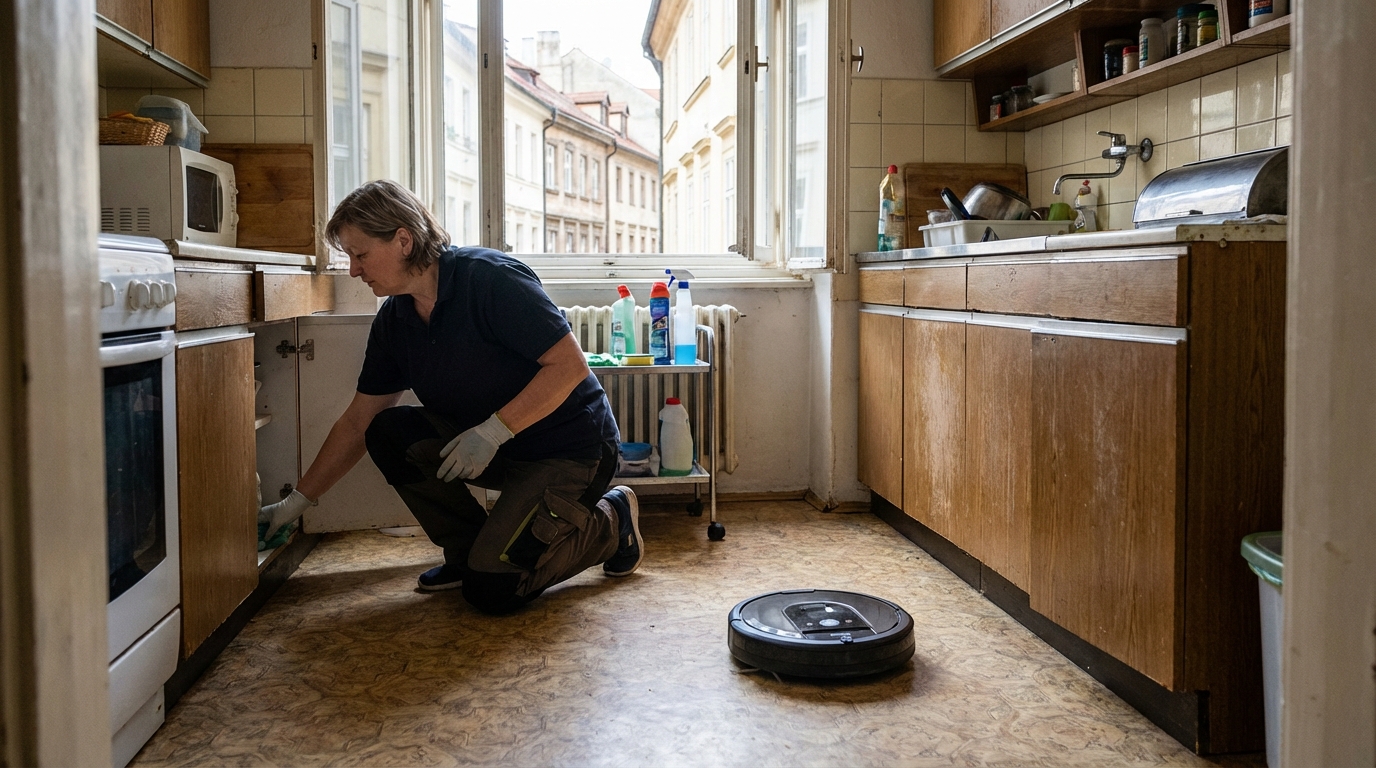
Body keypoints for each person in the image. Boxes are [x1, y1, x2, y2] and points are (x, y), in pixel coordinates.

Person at [258, 180, 642, 614]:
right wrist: (296, 502)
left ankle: (612, 522)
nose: (353, 270)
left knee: (492, 591)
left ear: (403, 239)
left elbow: (570, 367)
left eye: (360, 254)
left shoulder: (491, 280)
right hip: (497, 451)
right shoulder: (396, 319)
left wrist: (495, 431)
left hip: (570, 452)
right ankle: (467, 553)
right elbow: (357, 422)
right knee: (388, 431)